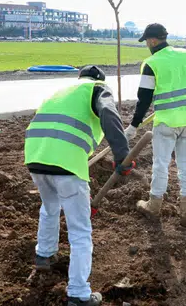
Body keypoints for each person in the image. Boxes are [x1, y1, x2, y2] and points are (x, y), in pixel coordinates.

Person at [25, 65, 130, 306]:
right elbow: (108, 113)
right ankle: (79, 293)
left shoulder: (63, 91)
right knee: (80, 230)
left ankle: (44, 254)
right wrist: (122, 155)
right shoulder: (97, 88)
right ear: (98, 79)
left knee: (50, 207)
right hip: (67, 164)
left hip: (36, 156)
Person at [126, 23, 186, 226]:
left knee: (161, 164)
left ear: (151, 40)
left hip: (166, 121)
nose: (147, 45)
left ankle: (154, 206)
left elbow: (144, 99)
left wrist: (133, 126)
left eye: (146, 42)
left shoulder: (152, 63)